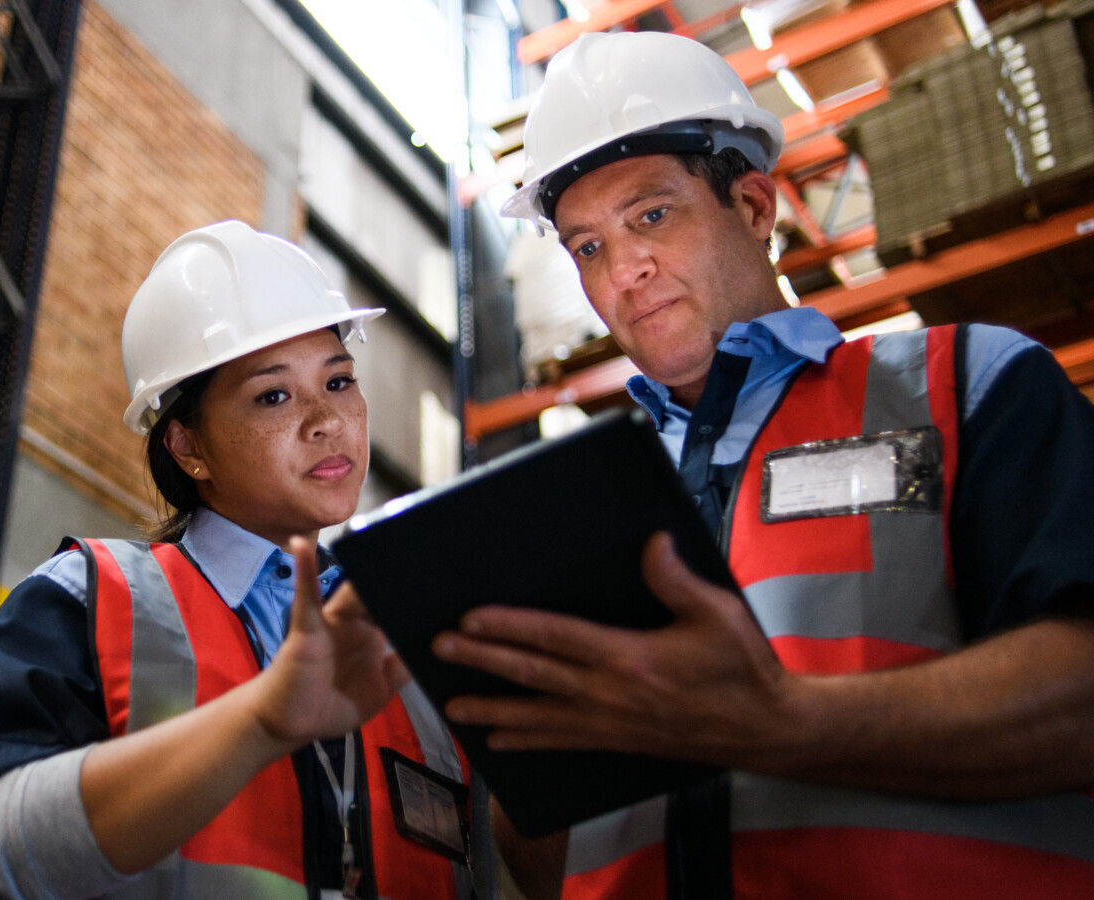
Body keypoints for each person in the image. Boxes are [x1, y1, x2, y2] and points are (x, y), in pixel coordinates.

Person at [432, 30, 1094, 900]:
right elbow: (546, 848)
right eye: (587, 246)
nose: (624, 270)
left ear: (752, 207)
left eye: (652, 215)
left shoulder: (964, 386)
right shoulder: (570, 507)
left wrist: (785, 725)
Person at [0, 220, 480, 899]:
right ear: (187, 447)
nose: (327, 420)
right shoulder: (93, 599)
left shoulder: (412, 634)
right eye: (273, 395)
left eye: (338, 381)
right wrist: (258, 721)